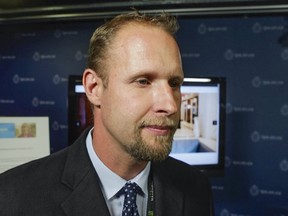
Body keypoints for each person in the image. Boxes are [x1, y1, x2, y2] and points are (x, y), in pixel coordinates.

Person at [0, 11, 214, 215]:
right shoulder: (14, 197)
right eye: (143, 81)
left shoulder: (195, 187)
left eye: (174, 83)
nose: (171, 105)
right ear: (94, 88)